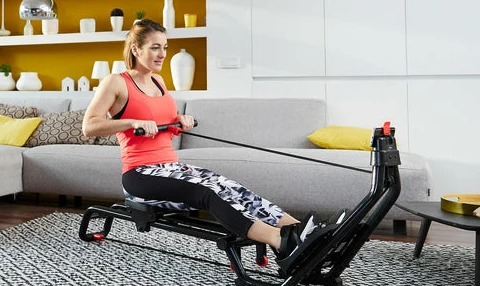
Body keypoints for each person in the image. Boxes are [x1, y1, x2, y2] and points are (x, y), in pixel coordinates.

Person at [81, 18, 318, 265]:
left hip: (171, 167)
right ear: (135, 49)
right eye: (155, 47)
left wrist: (178, 121)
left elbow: (163, 123)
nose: (162, 54)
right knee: (208, 192)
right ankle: (280, 240)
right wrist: (131, 123)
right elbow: (89, 126)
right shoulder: (116, 82)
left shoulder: (158, 81)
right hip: (140, 174)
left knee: (229, 186)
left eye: (165, 47)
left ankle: (301, 230)